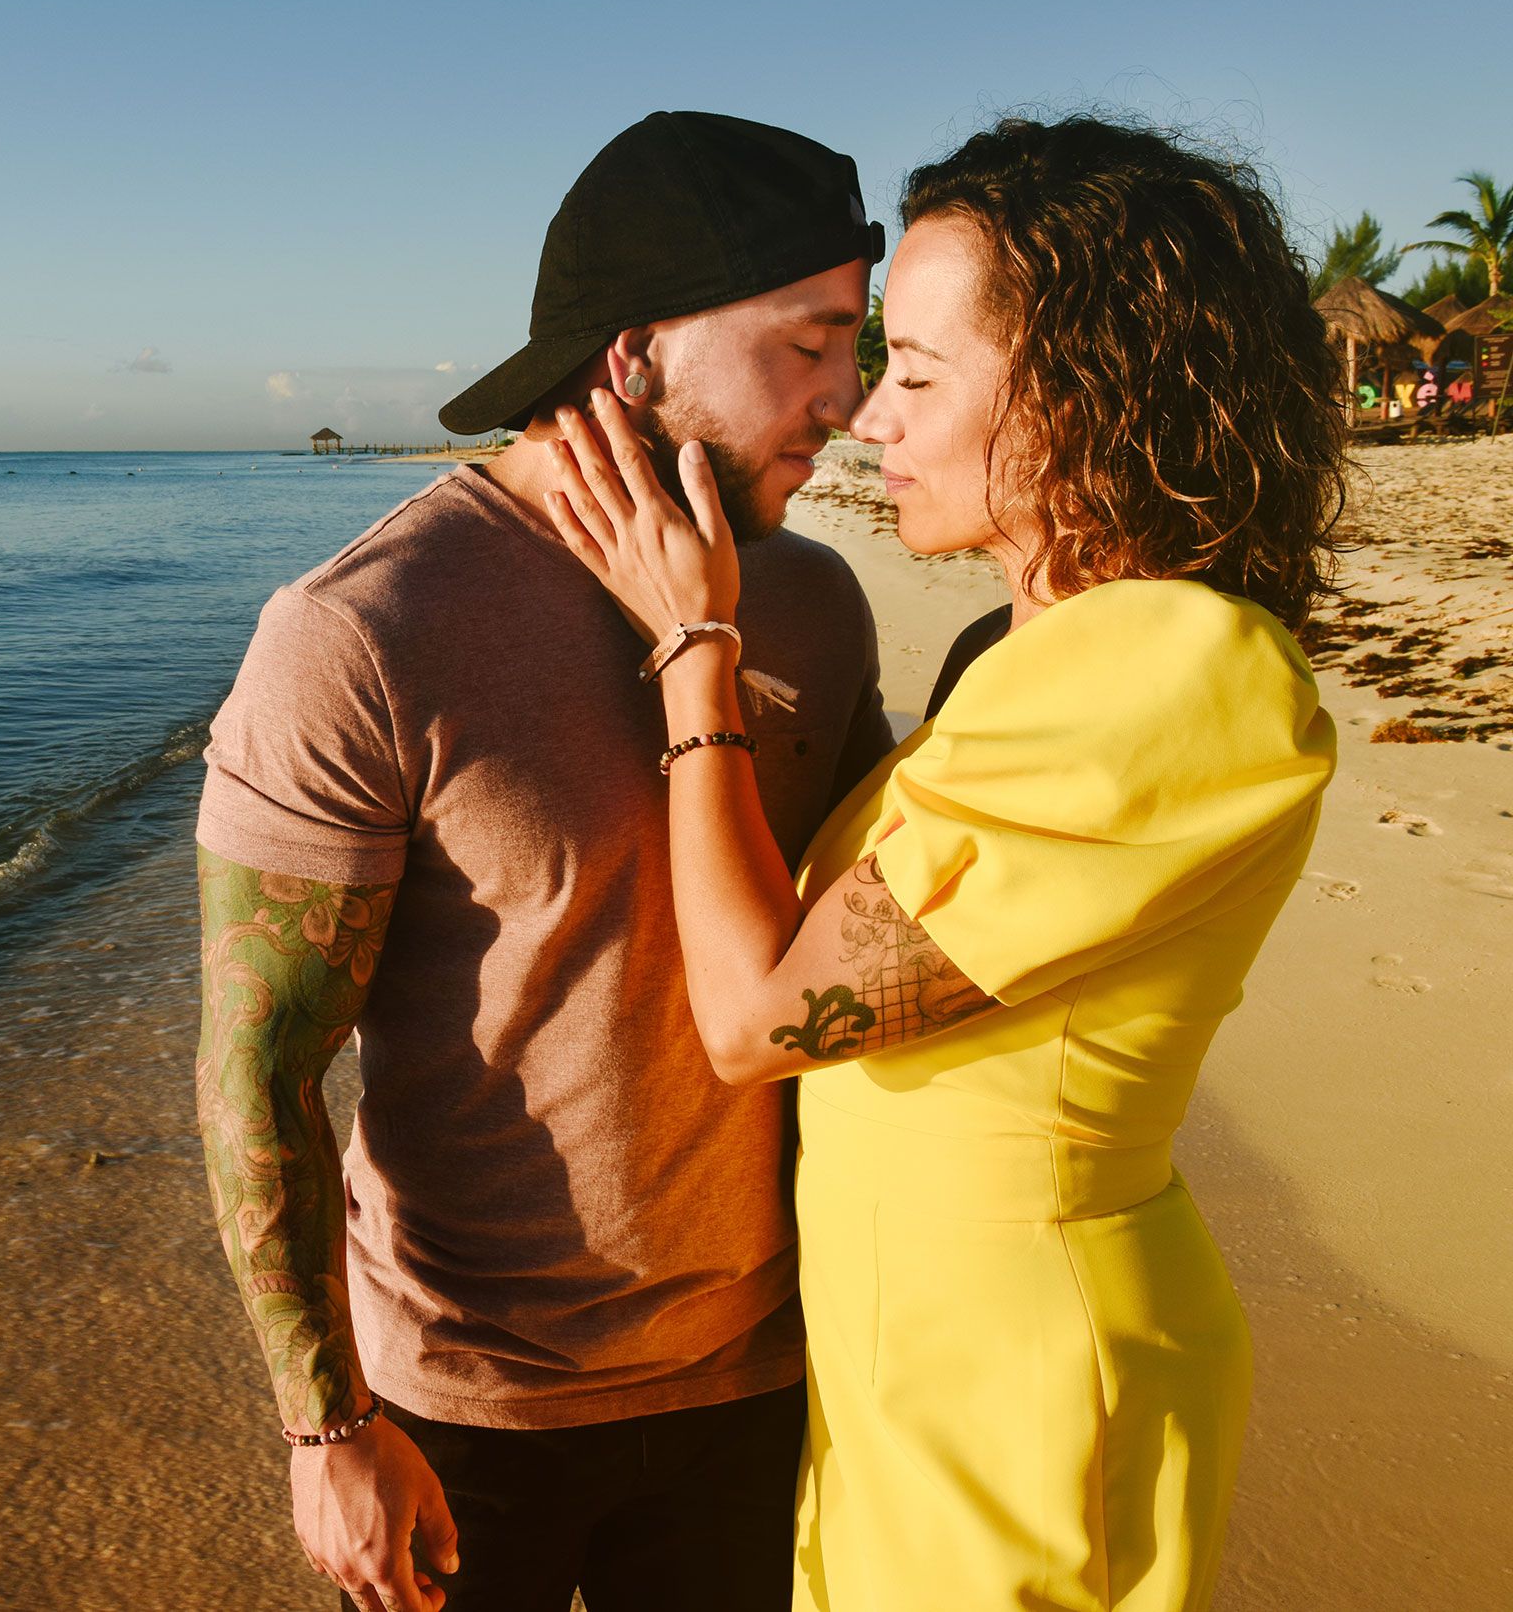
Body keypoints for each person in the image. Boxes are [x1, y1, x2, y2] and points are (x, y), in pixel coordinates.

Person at [543, 114, 1344, 1611]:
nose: (867, 418)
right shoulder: (1031, 653)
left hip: (1015, 1380)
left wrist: (695, 646)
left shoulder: (1170, 666)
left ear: (1084, 392)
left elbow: (756, 1018)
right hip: (913, 1351)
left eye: (913, 374)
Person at [194, 112, 890, 1612]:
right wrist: (326, 1424)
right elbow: (258, 1066)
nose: (851, 398)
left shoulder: (817, 604)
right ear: (633, 356)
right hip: (467, 1406)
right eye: (809, 343)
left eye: (859, 341)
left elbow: (858, 944)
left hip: (758, 1375)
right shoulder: (362, 630)